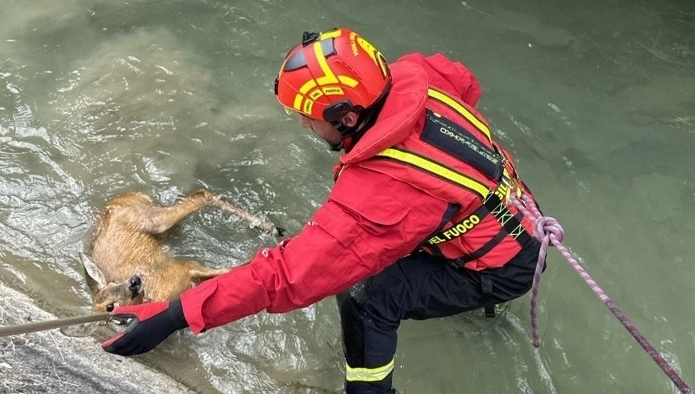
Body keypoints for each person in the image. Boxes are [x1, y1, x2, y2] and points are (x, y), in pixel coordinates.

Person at [102, 27, 544, 394]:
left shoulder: (383, 190)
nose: (301, 124)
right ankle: (487, 310)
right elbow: (463, 84)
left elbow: (290, 276)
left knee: (364, 297)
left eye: (307, 115)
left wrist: (175, 315)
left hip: (495, 268)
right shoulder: (419, 78)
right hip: (516, 219)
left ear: (348, 117)